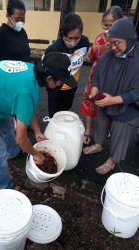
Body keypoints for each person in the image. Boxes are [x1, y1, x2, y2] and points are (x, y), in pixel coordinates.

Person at [0, 52, 78, 189]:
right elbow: (21, 139)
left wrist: (37, 131)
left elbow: (26, 109)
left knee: (8, 127)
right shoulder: (26, 92)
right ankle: (5, 187)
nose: (61, 84)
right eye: (61, 81)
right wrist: (36, 154)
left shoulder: (32, 71)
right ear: (49, 78)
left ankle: (13, 153)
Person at [83, 18, 139, 175]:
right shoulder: (108, 55)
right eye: (111, 42)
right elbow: (97, 76)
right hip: (104, 100)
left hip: (126, 107)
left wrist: (113, 100)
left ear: (129, 39)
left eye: (117, 43)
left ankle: (112, 160)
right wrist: (95, 89)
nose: (113, 47)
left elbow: (137, 92)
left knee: (119, 132)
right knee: (101, 123)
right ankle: (99, 144)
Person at [79, 6, 123, 145]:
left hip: (114, 77)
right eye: (106, 24)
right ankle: (88, 130)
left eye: (112, 25)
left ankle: (107, 129)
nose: (108, 28)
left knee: (109, 103)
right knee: (90, 100)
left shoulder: (123, 40)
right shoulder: (98, 38)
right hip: (95, 75)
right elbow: (92, 57)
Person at [44, 13, 89, 117]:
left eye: (76, 38)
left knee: (66, 111)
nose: (73, 42)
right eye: (70, 38)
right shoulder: (53, 49)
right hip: (56, 90)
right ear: (63, 33)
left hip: (71, 86)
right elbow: (45, 72)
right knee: (54, 116)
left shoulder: (84, 42)